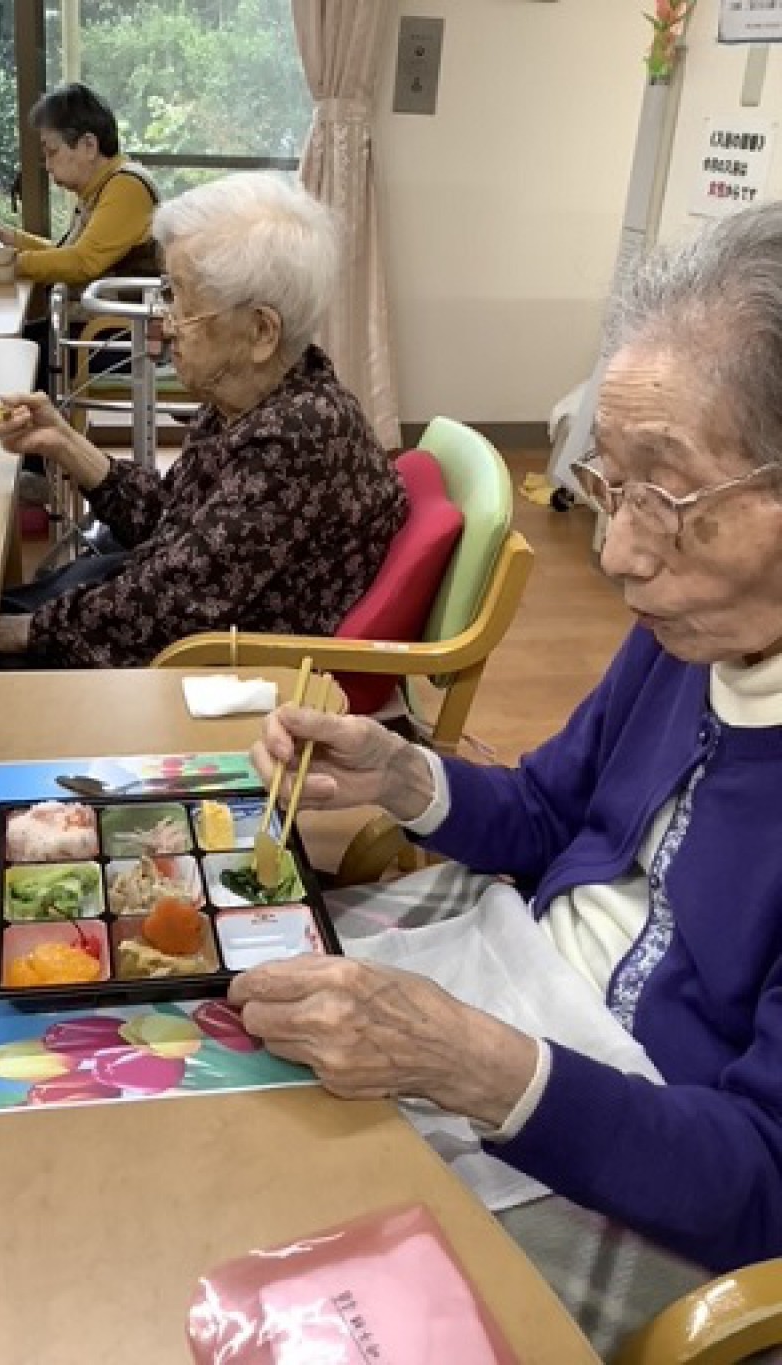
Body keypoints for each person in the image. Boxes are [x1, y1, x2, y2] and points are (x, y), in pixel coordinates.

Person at [230, 200, 782, 1354]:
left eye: (665, 497)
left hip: (653, 1174)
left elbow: (758, 1183)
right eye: (609, 485)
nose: (618, 553)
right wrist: (401, 774)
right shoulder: (690, 634)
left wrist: (466, 1062)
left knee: (278, 1255)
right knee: (213, 1056)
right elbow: (547, 811)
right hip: (520, 991)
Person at [0, 172, 408, 669]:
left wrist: (25, 631)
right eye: (169, 293)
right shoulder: (251, 396)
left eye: (182, 301)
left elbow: (173, 605)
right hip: (168, 626)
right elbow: (170, 521)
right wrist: (63, 442)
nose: (165, 324)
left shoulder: (296, 439)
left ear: (261, 331)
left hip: (225, 674)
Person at [0, 82, 159, 287]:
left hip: (111, 310)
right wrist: (9, 237)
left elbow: (81, 262)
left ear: (89, 146)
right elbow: (64, 253)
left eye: (52, 152)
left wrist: (4, 263)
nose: (48, 166)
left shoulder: (126, 187)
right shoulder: (101, 188)